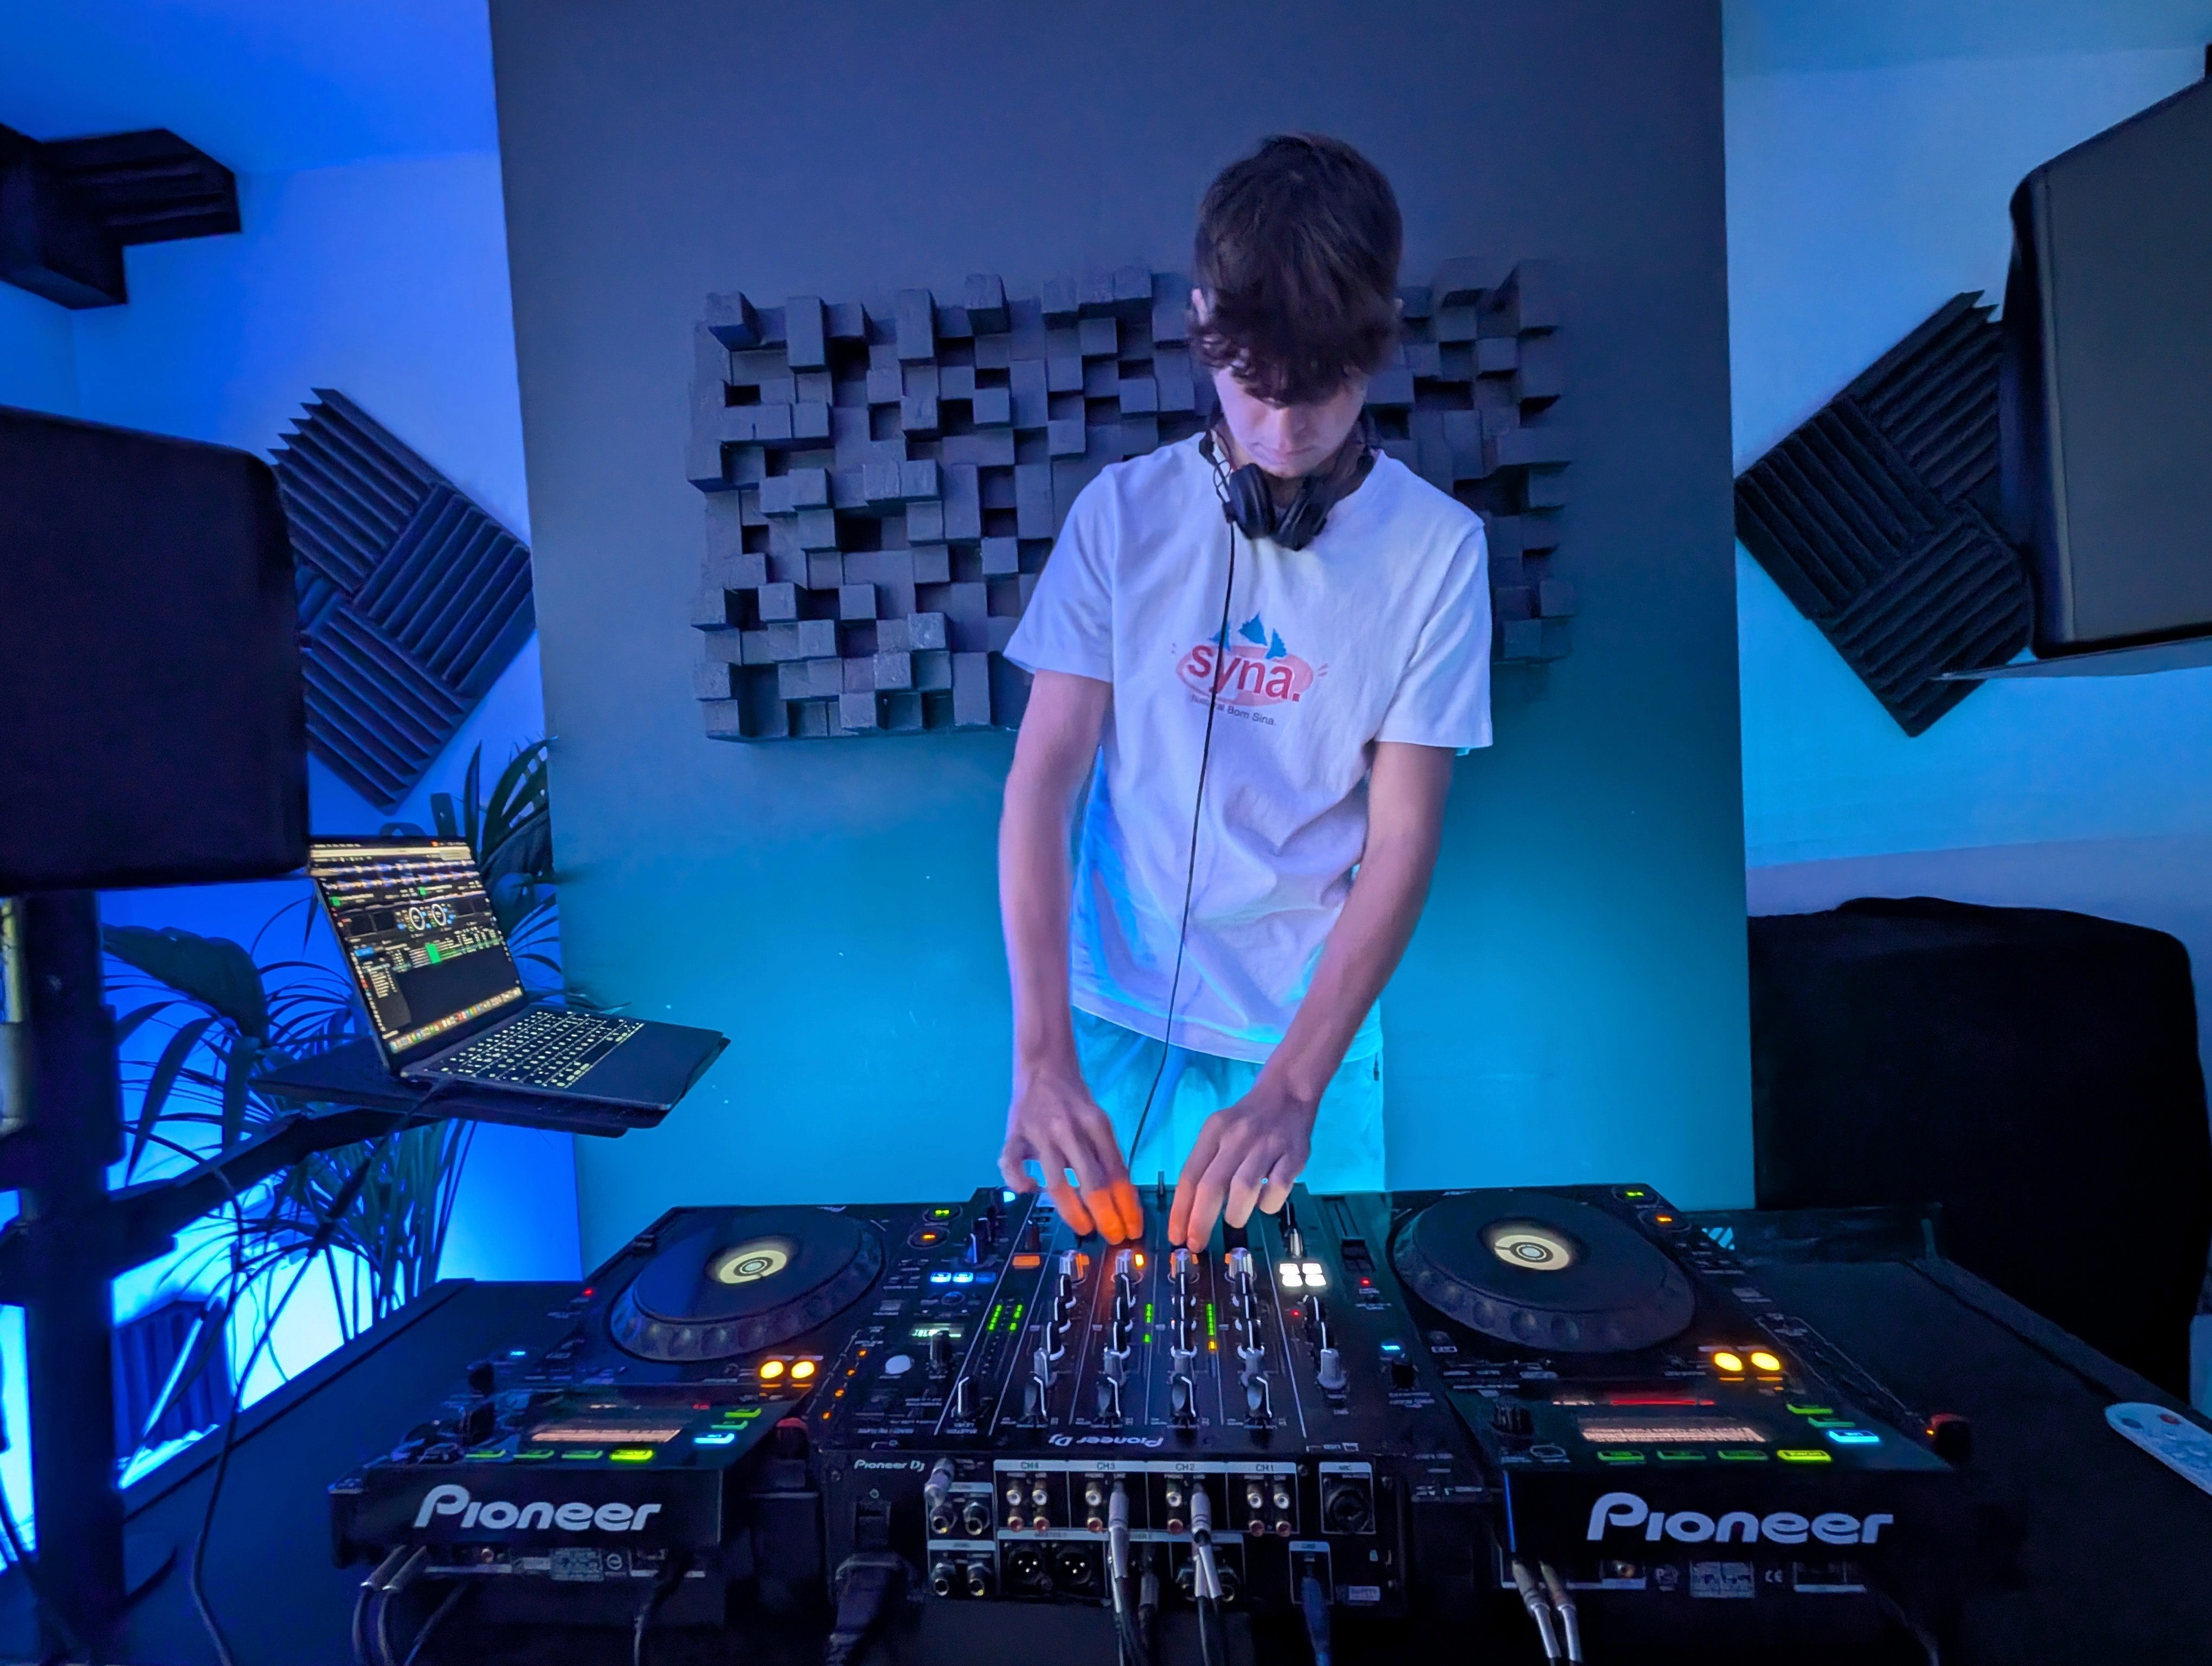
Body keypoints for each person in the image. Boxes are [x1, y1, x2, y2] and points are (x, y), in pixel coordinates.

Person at [997, 133, 1492, 1252]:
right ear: (1202, 324)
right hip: (1105, 1008)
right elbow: (1044, 780)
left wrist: (1298, 1085)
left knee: (1324, 1351)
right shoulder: (1119, 519)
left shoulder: (1439, 553)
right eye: (1255, 391)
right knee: (1074, 1336)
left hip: (1308, 1029)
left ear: (1376, 345)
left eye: (1319, 395)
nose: (1279, 435)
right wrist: (1040, 1056)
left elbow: (1404, 838)